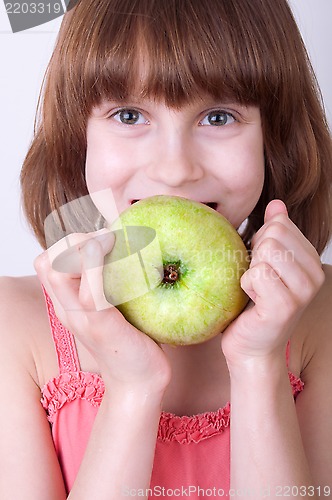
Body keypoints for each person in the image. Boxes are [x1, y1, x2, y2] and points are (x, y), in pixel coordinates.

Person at [1, 0, 332, 498]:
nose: (176, 169)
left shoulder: (319, 319)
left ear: (274, 137)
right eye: (129, 114)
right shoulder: (15, 327)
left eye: (218, 117)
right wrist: (132, 389)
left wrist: (258, 364)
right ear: (78, 140)